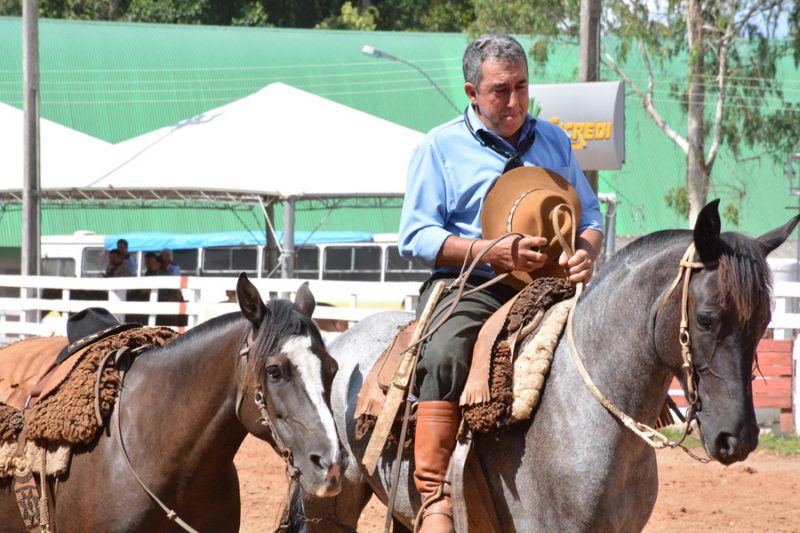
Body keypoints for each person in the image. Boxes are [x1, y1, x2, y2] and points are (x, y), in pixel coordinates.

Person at [398, 35, 604, 532]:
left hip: (550, 283)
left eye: (521, 87)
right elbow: (416, 234)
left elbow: (590, 213)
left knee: (611, 337)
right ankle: (434, 496)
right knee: (445, 352)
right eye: (499, 90)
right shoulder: (439, 147)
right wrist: (489, 252)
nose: (513, 101)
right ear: (472, 91)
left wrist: (586, 251)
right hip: (470, 283)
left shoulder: (554, 141)